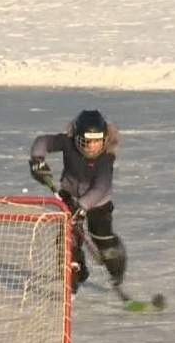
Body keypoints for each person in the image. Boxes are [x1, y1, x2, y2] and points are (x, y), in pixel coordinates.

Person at [28, 109, 126, 294]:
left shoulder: (106, 157)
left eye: (97, 141)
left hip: (97, 203)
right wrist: (37, 159)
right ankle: (75, 273)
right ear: (78, 138)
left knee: (103, 239)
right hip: (69, 196)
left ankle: (116, 271)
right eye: (87, 141)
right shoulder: (68, 143)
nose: (92, 147)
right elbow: (42, 141)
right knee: (68, 239)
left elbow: (101, 187)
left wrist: (81, 206)